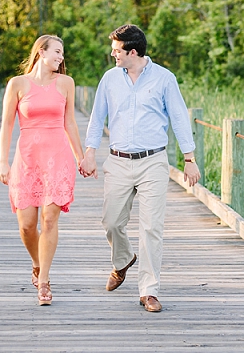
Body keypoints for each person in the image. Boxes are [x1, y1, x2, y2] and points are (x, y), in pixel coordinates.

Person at [80, 24, 200, 313]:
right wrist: (89, 153)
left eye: (117, 50)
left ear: (133, 52)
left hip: (153, 162)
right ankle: (122, 260)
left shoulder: (164, 79)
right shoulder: (109, 79)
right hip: (118, 161)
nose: (113, 54)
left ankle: (149, 291)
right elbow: (97, 118)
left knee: (151, 228)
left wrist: (189, 158)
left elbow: (179, 119)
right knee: (111, 222)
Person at [0, 35, 86, 306]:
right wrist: (3, 161)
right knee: (26, 225)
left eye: (62, 53)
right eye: (57, 51)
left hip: (58, 158)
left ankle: (44, 281)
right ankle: (37, 263)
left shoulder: (66, 83)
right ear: (41, 52)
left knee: (49, 220)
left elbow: (70, 123)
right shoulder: (18, 84)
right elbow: (7, 125)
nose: (61, 57)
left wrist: (81, 157)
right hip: (28, 159)